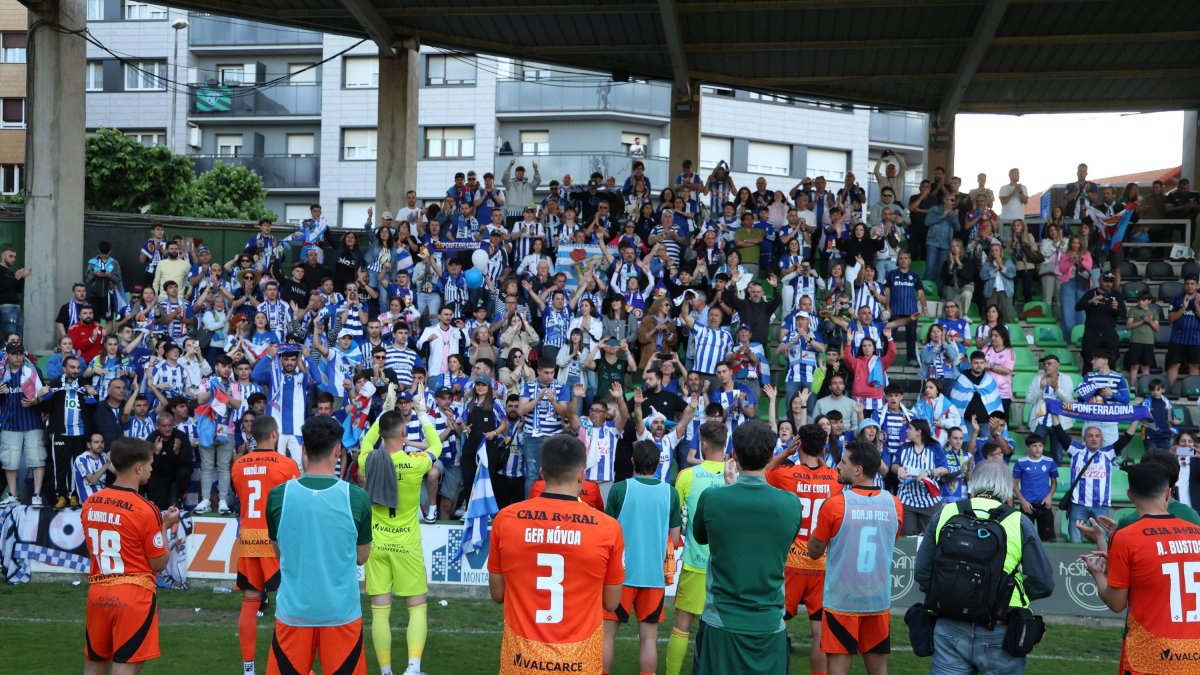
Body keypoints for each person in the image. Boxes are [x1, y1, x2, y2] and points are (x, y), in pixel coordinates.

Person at [488, 433, 625, 674]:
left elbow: (498, 593)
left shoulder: (506, 520)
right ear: (582, 474)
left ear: (542, 472)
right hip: (580, 661)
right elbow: (611, 603)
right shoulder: (608, 528)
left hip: (521, 662)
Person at [915, 460, 1055, 675]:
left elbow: (922, 572)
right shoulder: (1018, 521)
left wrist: (951, 593)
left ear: (974, 481)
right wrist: (1006, 595)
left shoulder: (946, 512)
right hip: (1000, 626)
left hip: (949, 622)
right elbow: (1043, 582)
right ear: (1007, 486)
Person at [690, 420, 802, 674]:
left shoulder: (713, 498)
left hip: (721, 623)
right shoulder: (790, 504)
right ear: (772, 455)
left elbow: (701, 536)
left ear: (735, 455)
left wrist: (730, 490)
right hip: (768, 623)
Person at [265, 416, 372, 675]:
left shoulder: (279, 496)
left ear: (303, 449)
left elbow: (279, 552)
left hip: (294, 611)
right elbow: (361, 556)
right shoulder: (356, 497)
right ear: (338, 450)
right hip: (340, 613)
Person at [1082, 462, 1200, 675]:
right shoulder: (1196, 532)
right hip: (1194, 654)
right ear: (1168, 493)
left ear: (1130, 494)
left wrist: (1098, 575)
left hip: (1148, 655)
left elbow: (1117, 603)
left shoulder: (1126, 537)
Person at [81, 437, 180, 675]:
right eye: (150, 463)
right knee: (125, 669)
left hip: (98, 593)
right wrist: (163, 530)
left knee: (94, 667)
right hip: (132, 596)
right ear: (138, 467)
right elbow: (158, 563)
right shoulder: (145, 509)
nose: (152, 468)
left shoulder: (90, 503)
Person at [358, 402, 443, 675]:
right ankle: (413, 669)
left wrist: (381, 415)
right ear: (404, 431)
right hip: (406, 544)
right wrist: (421, 413)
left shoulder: (368, 460)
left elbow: (364, 445)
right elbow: (436, 447)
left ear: (382, 433)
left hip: (377, 544)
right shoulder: (415, 463)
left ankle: (385, 672)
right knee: (417, 607)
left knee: (380, 611)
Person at [808, 441, 904, 675]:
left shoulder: (835, 505)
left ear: (858, 470)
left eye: (843, 462)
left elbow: (814, 551)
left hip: (842, 602)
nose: (838, 466)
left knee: (838, 671)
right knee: (879, 670)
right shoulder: (895, 505)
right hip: (877, 601)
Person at [764, 423, 843, 675]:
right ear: (822, 448)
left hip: (791, 563)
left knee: (776, 625)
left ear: (798, 443)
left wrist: (785, 453)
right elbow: (828, 473)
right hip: (821, 563)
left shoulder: (787, 474)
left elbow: (762, 472)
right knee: (819, 632)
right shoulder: (833, 478)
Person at [601, 439, 682, 675]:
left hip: (620, 575)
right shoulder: (670, 492)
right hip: (653, 576)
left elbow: (608, 535)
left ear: (632, 461)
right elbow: (675, 540)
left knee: (607, 635)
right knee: (649, 639)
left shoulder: (619, 489)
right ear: (658, 463)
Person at [230, 415, 300, 675]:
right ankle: (286, 665)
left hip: (248, 538)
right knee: (286, 605)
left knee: (250, 602)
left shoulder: (238, 465)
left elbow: (241, 496)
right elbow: (293, 505)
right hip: (275, 541)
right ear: (274, 435)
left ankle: (249, 669)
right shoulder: (287, 464)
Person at [664, 421, 727, 675]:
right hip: (727, 568)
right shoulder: (737, 474)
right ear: (725, 444)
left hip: (695, 563)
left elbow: (675, 521)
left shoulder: (687, 475)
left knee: (681, 626)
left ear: (703, 445)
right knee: (723, 630)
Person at [0, 339, 45, 507]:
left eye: (20, 354)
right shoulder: (1, 374)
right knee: (9, 461)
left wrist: (35, 402)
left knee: (37, 459)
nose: (18, 357)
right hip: (9, 424)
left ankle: (37, 495)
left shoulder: (31, 372)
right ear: (8, 355)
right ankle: (13, 494)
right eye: (14, 354)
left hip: (32, 423)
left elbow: (42, 394)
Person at [1013, 434, 1060, 542]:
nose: (1038, 448)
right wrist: (1022, 502)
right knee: (1024, 538)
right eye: (1034, 446)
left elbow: (1054, 482)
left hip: (1044, 504)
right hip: (1027, 505)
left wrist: (1049, 497)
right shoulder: (1021, 463)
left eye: (1040, 445)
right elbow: (1014, 484)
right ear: (1028, 447)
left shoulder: (1050, 462)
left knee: (1047, 539)